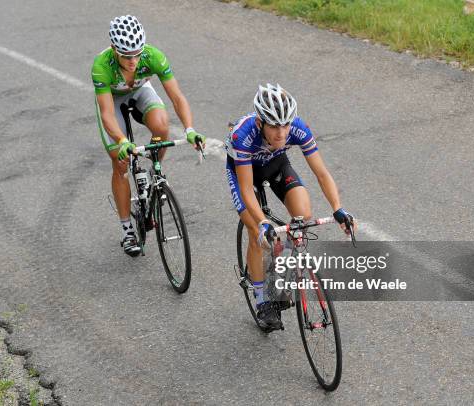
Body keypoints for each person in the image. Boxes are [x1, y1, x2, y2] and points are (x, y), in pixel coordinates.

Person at [224, 83, 356, 331]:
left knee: (302, 217)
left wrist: (338, 208)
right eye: (274, 126)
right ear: (261, 122)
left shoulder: (297, 128)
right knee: (257, 232)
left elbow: (321, 173)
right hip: (244, 171)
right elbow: (245, 189)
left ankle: (277, 265)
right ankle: (262, 298)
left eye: (285, 125)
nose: (281, 133)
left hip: (275, 163)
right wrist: (263, 223)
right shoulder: (243, 135)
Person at [92, 15, 205, 256]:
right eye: (126, 55)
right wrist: (122, 141)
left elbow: (177, 97)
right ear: (114, 50)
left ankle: (155, 171)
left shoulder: (153, 56)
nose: (133, 60)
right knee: (120, 161)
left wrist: (190, 129)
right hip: (113, 101)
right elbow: (106, 114)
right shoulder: (101, 66)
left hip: (141, 90)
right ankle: (127, 231)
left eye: (136, 54)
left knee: (161, 126)